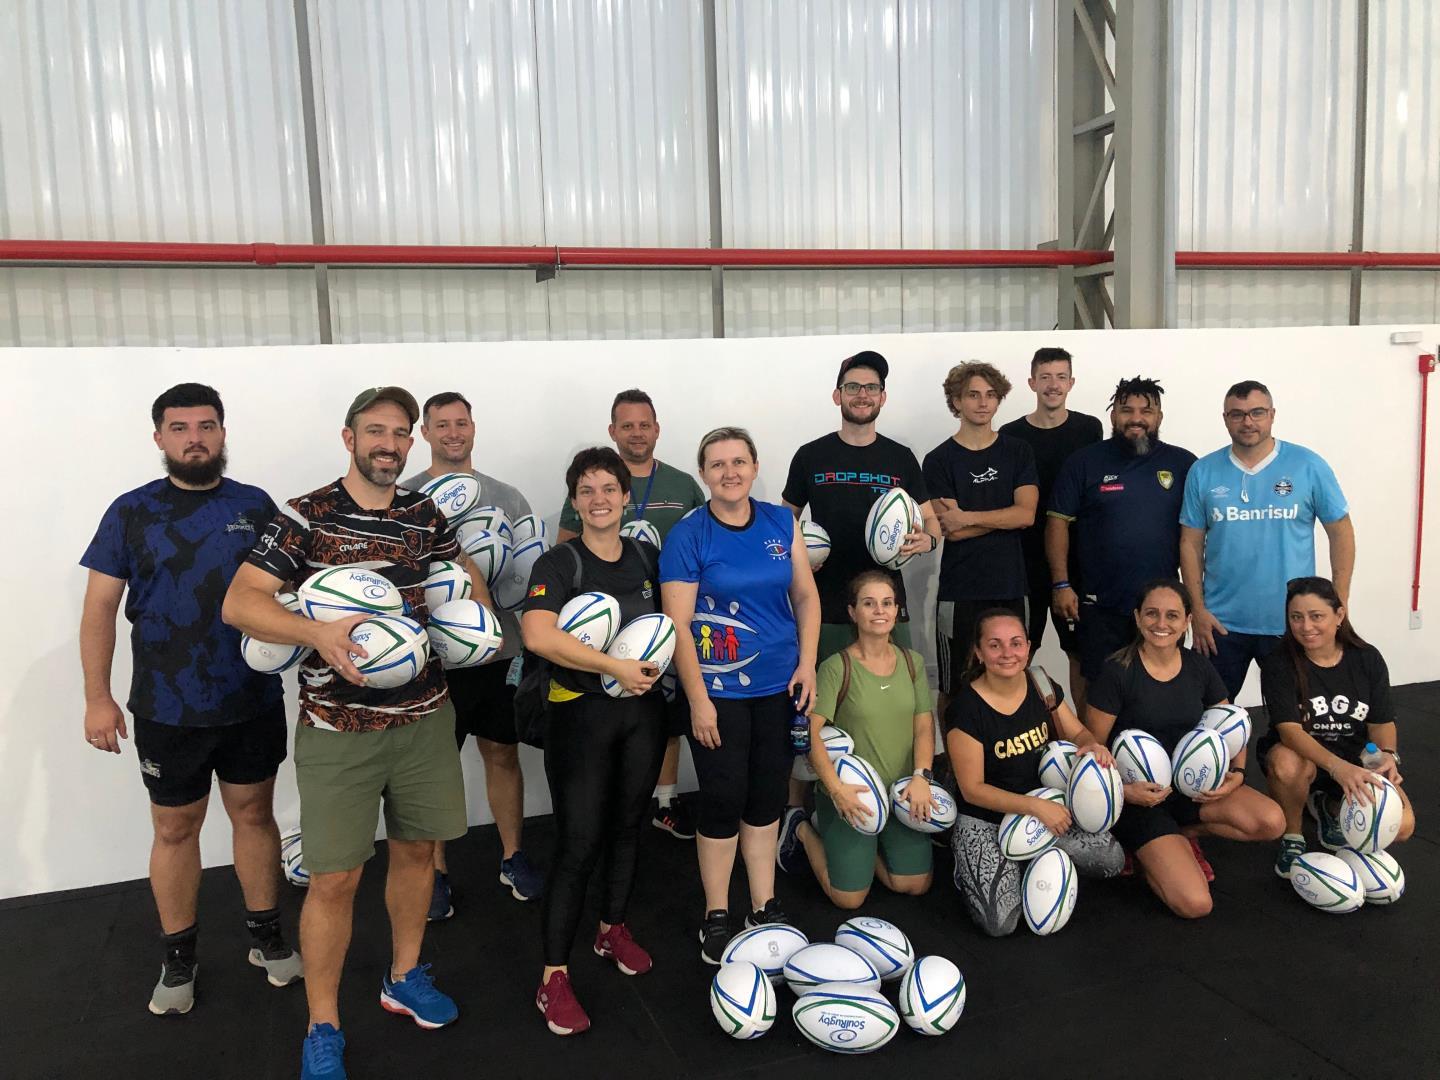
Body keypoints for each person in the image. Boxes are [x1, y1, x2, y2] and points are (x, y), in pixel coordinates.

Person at [224, 386, 487, 1080]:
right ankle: (323, 1024)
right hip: (337, 731)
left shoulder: (424, 513)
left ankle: (403, 976)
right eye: (377, 432)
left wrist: (472, 627)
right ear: (349, 438)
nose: (390, 445)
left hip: (426, 720)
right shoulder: (305, 517)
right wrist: (314, 631)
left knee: (416, 854)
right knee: (335, 879)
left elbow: (463, 584)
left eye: (401, 434)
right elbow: (239, 602)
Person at [79, 382, 302, 1017]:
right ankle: (179, 957)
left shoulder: (256, 506)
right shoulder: (131, 511)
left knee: (255, 817)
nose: (195, 438)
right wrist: (98, 698)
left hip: (251, 699)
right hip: (166, 706)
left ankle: (266, 937)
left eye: (206, 426)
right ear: (159, 438)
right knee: (175, 829)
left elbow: (293, 594)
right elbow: (99, 609)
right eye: (180, 428)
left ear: (224, 434)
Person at [522, 447, 669, 1037]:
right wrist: (614, 665)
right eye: (587, 490)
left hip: (643, 712)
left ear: (626, 497)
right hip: (580, 714)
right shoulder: (557, 563)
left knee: (629, 825)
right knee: (579, 841)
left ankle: (612, 928)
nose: (600, 499)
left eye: (610, 488)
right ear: (574, 500)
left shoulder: (646, 557)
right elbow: (538, 636)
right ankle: (553, 976)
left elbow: (676, 619)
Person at [660, 427, 820, 964]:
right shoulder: (689, 535)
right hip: (717, 693)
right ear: (703, 473)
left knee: (765, 798)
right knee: (723, 799)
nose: (729, 472)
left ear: (754, 467)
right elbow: (676, 626)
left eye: (739, 461)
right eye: (717, 464)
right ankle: (716, 913)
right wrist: (699, 699)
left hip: (779, 687)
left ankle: (764, 903)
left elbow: (805, 596)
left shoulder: (781, 522)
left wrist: (807, 664)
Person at [402, 390, 543, 916]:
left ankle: (513, 855)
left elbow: (530, 577)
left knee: (502, 754)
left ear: (473, 429)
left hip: (498, 654)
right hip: (432, 660)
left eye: (462, 423)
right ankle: (435, 872)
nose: (453, 433)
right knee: (434, 768)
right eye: (443, 425)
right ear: (426, 434)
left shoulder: (508, 497)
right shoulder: (405, 496)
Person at [1084, 579, 1284, 919]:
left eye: (1172, 616)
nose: (1161, 624)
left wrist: (1236, 773)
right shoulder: (1117, 672)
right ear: (1137, 617)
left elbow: (1231, 723)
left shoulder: (1199, 667)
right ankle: (1143, 848)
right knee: (1195, 904)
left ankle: (1182, 834)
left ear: (1187, 621)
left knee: (1271, 821)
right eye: (1152, 614)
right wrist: (1125, 791)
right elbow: (1091, 747)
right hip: (1138, 799)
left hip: (1191, 787)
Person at [557, 389, 707, 841]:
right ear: (613, 431)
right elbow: (566, 545)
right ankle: (611, 803)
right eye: (627, 425)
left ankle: (663, 801)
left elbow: (705, 540)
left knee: (663, 711)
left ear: (657, 429)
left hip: (666, 614)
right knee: (611, 711)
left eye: (645, 424)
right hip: (603, 622)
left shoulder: (683, 485)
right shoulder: (593, 480)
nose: (637, 432)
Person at [945, 608, 1123, 937]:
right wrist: (1036, 808)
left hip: (1041, 806)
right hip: (987, 816)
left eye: (1015, 643)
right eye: (995, 645)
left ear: (1028, 647)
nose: (1007, 653)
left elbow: (1078, 733)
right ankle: (965, 864)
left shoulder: (1041, 683)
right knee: (999, 924)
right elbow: (973, 789)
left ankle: (1030, 855)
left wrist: (1093, 746)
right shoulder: (966, 708)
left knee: (1111, 860)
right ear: (979, 652)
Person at [1180, 381, 1355, 700]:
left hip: (1292, 624)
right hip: (1220, 625)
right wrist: (1198, 610)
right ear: (1225, 418)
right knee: (1210, 721)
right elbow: (1189, 544)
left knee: (1295, 722)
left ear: (1272, 415)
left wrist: (1337, 603)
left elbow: (1341, 532)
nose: (1248, 422)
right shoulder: (1203, 471)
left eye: (1257, 413)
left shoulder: (1308, 465)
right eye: (1238, 414)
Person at [777, 570, 936, 909]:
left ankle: (870, 843)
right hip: (851, 793)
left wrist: (922, 777)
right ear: (853, 612)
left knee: (914, 884)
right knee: (848, 899)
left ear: (896, 610)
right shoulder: (837, 667)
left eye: (888, 603)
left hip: (900, 792)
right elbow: (811, 733)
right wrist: (836, 789)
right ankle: (802, 828)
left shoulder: (912, 663)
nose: (880, 611)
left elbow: (924, 725)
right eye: (869, 603)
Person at [782, 350, 938, 659]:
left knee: (892, 699)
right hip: (825, 602)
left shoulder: (901, 457)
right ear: (837, 396)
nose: (862, 394)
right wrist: (797, 557)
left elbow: (931, 520)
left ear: (883, 397)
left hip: (886, 603)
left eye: (872, 387)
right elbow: (784, 522)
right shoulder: (810, 455)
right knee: (827, 699)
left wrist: (928, 541)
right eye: (853, 387)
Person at [1258, 577, 1415, 877]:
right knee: (1286, 762)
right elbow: (1289, 730)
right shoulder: (1279, 663)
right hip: (1308, 760)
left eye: (1316, 616)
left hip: (1355, 762)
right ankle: (1293, 836)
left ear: (1339, 616)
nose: (1306, 626)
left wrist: (1387, 756)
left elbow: (1381, 722)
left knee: (1404, 827)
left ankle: (1328, 806)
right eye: (1296, 617)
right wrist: (1337, 768)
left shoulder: (1367, 659)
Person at [1047, 376, 1196, 688]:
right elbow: (1057, 523)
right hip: (1100, 601)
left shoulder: (1183, 464)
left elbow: (1197, 534)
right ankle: (1094, 739)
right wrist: (1061, 583)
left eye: (1147, 411)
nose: (1137, 419)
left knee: (1161, 679)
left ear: (1160, 417)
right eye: (1127, 410)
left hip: (1162, 606)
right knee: (1097, 680)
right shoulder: (1084, 462)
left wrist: (1198, 595)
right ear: (1113, 415)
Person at [922, 362, 1039, 711]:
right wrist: (1006, 516)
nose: (983, 403)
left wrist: (969, 517)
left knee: (1013, 679)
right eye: (973, 394)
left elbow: (1026, 514)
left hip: (1011, 587)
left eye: (990, 395)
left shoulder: (1018, 452)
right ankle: (958, 766)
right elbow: (951, 532)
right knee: (954, 684)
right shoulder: (938, 460)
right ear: (956, 401)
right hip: (960, 590)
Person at [998, 347, 1103, 710]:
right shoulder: (1011, 436)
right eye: (1045, 377)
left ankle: (1091, 741)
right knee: (1018, 652)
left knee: (1081, 656)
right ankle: (1020, 732)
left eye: (1060, 377)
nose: (1053, 385)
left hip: (1076, 564)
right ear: (1032, 383)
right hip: (1023, 562)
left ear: (1071, 383)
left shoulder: (1090, 429)